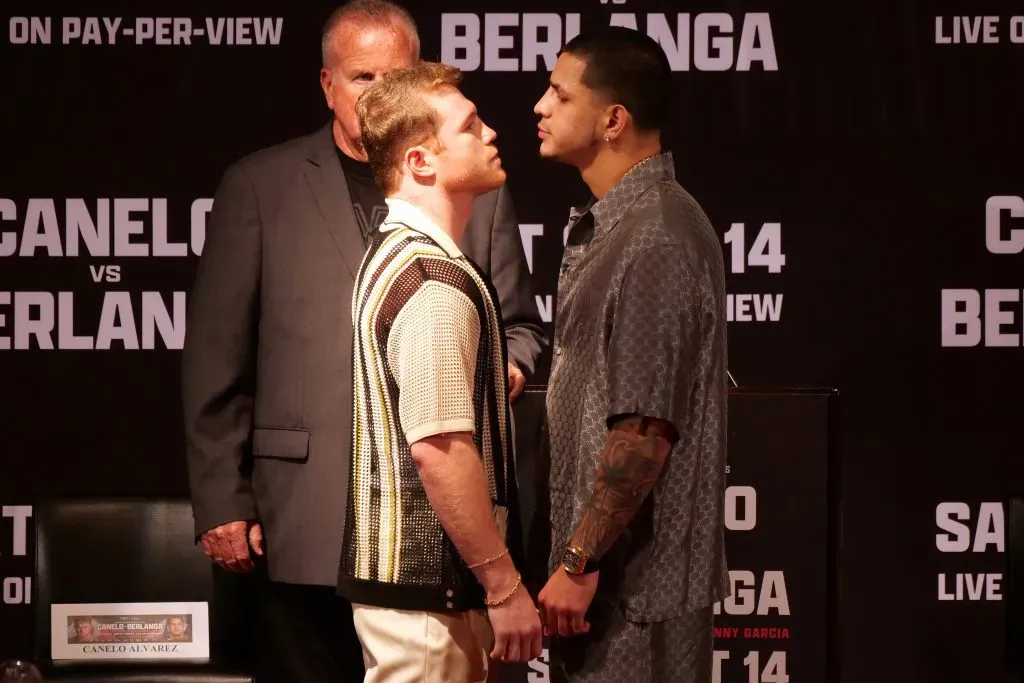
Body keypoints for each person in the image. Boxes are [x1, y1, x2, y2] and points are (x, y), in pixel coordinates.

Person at [180, 2, 546, 681]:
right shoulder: (261, 186)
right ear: (327, 84)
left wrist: (500, 370)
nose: (380, 95)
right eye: (361, 77)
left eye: (398, 75)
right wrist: (223, 496)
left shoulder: (475, 193)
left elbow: (518, 326)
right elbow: (215, 354)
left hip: (428, 532)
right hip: (306, 510)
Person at [532, 27, 730, 683]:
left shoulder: (656, 240)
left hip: (633, 599)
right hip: (611, 590)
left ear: (613, 119)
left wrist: (578, 560)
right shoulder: (623, 227)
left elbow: (645, 428)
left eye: (559, 94)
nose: (540, 106)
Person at [338, 60, 543, 682]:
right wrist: (505, 588)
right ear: (422, 162)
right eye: (470, 125)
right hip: (431, 599)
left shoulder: (398, 254)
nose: (491, 134)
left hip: (419, 596)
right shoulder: (432, 282)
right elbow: (440, 450)